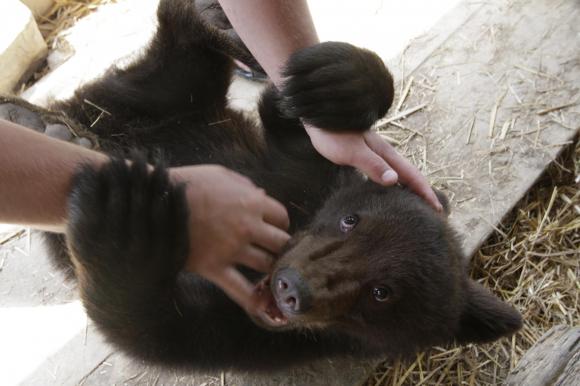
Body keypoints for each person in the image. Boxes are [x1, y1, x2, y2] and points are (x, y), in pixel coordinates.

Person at [0, 0, 440, 315]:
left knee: (170, 92)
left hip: (126, 166)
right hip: (176, 115)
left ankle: (88, 174)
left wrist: (149, 213)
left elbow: (139, 324)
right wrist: (341, 93)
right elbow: (278, 116)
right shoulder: (330, 210)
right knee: (188, 75)